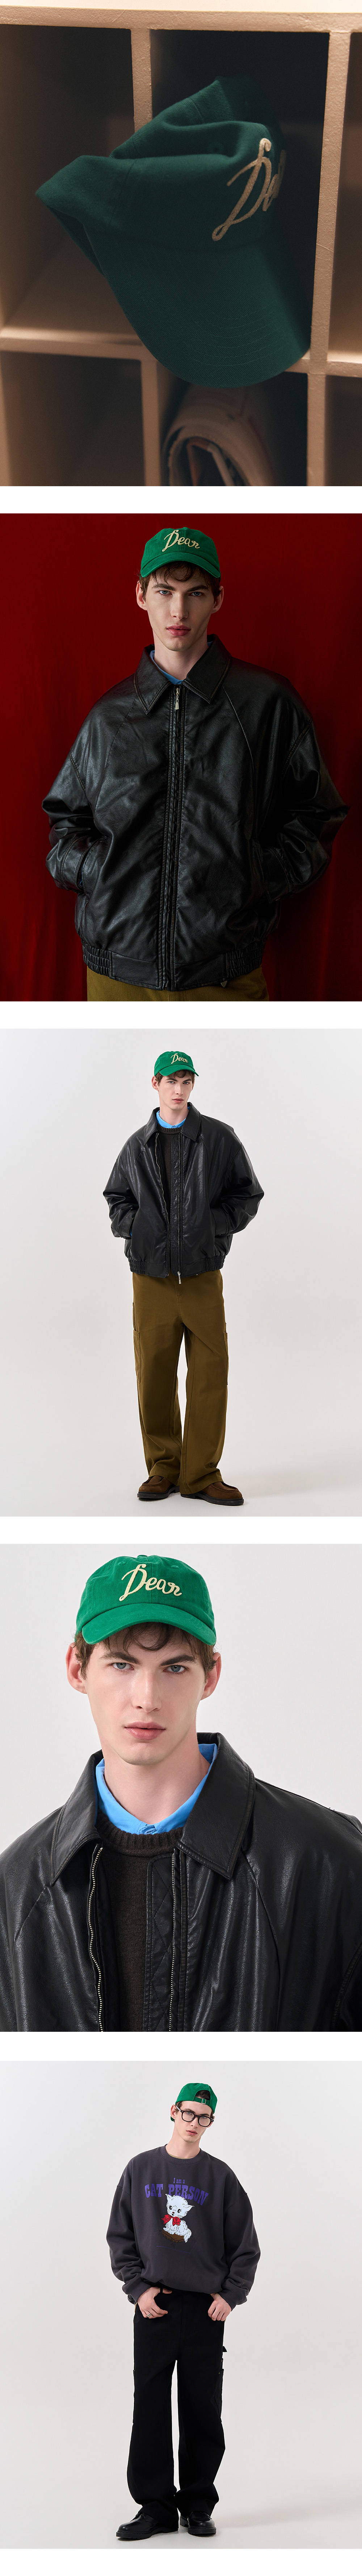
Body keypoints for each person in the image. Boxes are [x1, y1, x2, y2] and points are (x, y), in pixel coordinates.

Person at [1, 1553, 361, 2034]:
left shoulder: (329, 1864)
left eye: (173, 1668)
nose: (146, 1698)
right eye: (122, 1664)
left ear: (210, 1676)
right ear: (77, 1669)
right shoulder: (18, 1888)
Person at [42, 523, 347, 1004]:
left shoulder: (268, 705)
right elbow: (65, 823)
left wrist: (254, 877)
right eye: (165, 591)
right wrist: (100, 873)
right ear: (141, 595)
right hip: (116, 974)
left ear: (218, 599)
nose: (179, 611)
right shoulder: (108, 718)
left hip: (224, 972)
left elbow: (318, 814)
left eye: (196, 593)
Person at [104, 1047, 264, 1505]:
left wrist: (212, 1227)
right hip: (151, 1277)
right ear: (155, 1084)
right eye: (171, 1081)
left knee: (210, 1372)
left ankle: (201, 1474)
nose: (179, 1089)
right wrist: (136, 1228)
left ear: (193, 1085)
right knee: (154, 1373)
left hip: (201, 1274)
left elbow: (247, 1194)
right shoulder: (137, 1145)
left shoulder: (218, 1138)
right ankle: (163, 1467)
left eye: (186, 1081)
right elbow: (117, 1198)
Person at [107, 2078, 260, 2542]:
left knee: (201, 2409)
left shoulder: (221, 2178)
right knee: (150, 2407)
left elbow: (245, 2246)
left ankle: (197, 2504)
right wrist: (138, 2289)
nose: (195, 2123)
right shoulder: (141, 2169)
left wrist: (230, 2295)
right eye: (189, 2113)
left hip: (204, 2312)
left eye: (204, 2117)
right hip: (155, 2306)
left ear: (211, 2122)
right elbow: (121, 2236)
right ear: (173, 2111)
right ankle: (155, 2507)